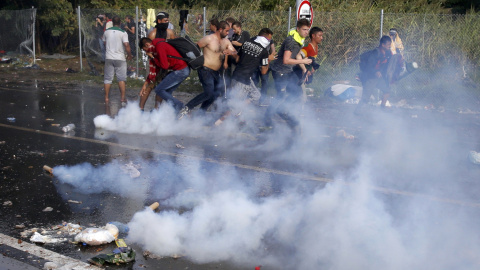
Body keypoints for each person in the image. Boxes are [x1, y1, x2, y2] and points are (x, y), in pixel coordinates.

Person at [214, 28, 273, 126]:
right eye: (269, 39)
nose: (269, 41)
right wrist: (268, 59)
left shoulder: (247, 43)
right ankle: (218, 123)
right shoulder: (263, 52)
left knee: (256, 95)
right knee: (234, 107)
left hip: (240, 76)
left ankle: (240, 113)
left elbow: (238, 59)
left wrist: (231, 53)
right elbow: (264, 71)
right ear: (264, 37)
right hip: (243, 80)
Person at [178, 20, 236, 118]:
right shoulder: (208, 39)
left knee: (215, 94)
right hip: (205, 70)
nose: (227, 33)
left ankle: (201, 113)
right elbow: (194, 47)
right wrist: (194, 61)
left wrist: (231, 53)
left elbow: (234, 52)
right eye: (226, 31)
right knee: (209, 92)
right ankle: (187, 108)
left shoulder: (226, 41)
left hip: (216, 72)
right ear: (220, 29)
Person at [263, 19, 312, 131]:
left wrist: (304, 69)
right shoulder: (291, 41)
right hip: (280, 70)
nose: (306, 32)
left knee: (297, 92)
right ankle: (268, 116)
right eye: (304, 29)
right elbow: (286, 60)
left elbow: (297, 54)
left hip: (288, 71)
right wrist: (303, 62)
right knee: (281, 95)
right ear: (298, 29)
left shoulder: (299, 39)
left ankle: (283, 110)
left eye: (307, 30)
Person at [139, 37, 190, 112]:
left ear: (147, 45)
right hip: (183, 69)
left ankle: (180, 106)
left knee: (159, 90)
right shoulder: (158, 44)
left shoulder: (159, 46)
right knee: (166, 93)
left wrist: (152, 57)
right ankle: (174, 114)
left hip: (180, 70)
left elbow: (164, 66)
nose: (146, 52)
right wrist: (146, 82)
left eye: (144, 50)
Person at [355, 35, 393, 114]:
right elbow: (369, 66)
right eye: (388, 44)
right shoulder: (375, 53)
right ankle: (357, 112)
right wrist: (375, 71)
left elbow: (389, 64)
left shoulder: (388, 53)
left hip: (379, 78)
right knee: (365, 98)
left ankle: (382, 108)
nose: (390, 46)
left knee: (387, 90)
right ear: (383, 45)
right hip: (370, 78)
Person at [103, 16, 133, 104]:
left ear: (112, 23)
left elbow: (104, 43)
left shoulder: (106, 32)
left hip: (109, 57)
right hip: (120, 58)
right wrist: (129, 55)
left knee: (108, 79)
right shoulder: (123, 32)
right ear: (120, 23)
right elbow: (126, 45)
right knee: (121, 79)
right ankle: (123, 98)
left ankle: (106, 98)